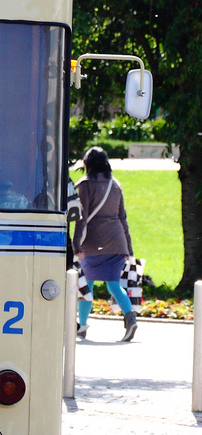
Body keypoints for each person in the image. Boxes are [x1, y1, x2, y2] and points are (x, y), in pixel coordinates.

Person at [73, 146, 137, 342]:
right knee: (114, 285)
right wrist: (128, 247)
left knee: (86, 285)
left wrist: (76, 245)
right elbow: (122, 217)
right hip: (117, 241)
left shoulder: (84, 185)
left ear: (87, 165)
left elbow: (81, 218)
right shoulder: (115, 185)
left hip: (93, 242)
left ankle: (82, 326)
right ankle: (130, 318)